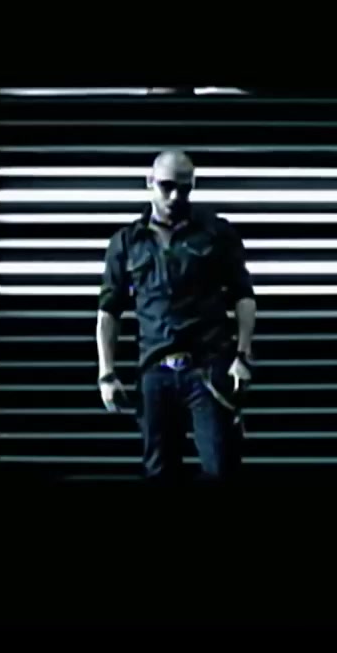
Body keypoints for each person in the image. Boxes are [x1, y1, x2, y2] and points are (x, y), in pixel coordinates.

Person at [95, 150, 258, 480]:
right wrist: (106, 373)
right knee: (159, 471)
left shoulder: (216, 233)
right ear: (149, 182)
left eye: (184, 188)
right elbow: (109, 311)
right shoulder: (127, 242)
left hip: (207, 370)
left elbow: (244, 296)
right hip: (155, 371)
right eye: (166, 186)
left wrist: (243, 356)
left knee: (221, 468)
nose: (174, 196)